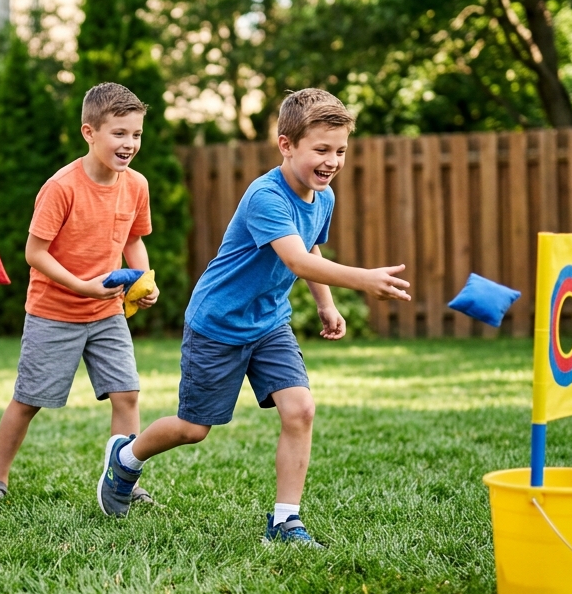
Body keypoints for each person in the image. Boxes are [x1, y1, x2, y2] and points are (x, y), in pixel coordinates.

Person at [95, 89, 411, 546]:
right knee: (193, 428)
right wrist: (363, 280)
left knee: (300, 409)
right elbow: (297, 262)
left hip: (269, 324)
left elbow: (311, 247)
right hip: (218, 324)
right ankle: (126, 459)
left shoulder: (322, 197)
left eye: (340, 150)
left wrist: (326, 303)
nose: (332, 161)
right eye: (321, 150)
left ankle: (285, 521)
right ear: (286, 145)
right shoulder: (267, 196)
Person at [0, 82, 158, 506]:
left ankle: (123, 481)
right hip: (54, 311)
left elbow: (133, 239)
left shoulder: (136, 185)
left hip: (107, 311)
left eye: (136, 134)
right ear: (89, 133)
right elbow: (34, 253)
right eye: (119, 133)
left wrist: (142, 280)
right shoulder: (61, 187)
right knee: (29, 400)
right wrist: (81, 286)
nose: (129, 143)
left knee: (126, 393)